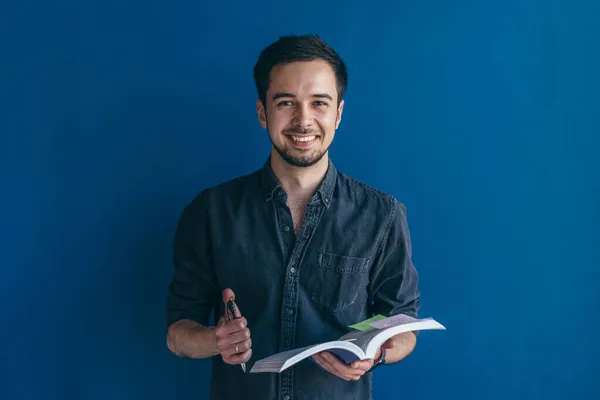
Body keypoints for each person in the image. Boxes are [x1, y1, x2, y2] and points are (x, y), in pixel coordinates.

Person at [166, 34, 421, 400]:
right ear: (262, 112)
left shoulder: (382, 215)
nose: (304, 121)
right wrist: (214, 340)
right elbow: (177, 333)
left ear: (338, 113)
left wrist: (379, 351)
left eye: (319, 103)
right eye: (286, 102)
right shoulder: (210, 211)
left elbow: (403, 323)